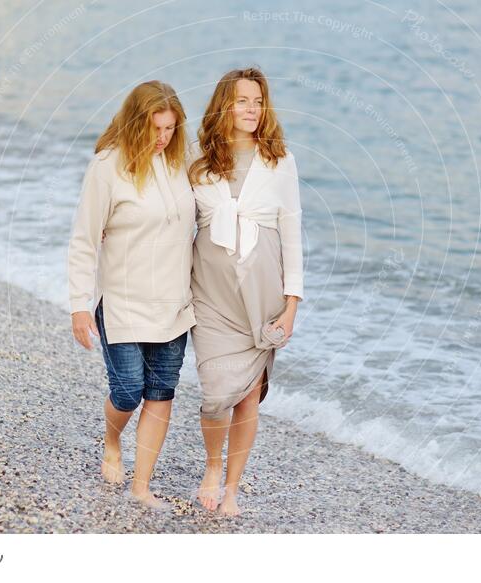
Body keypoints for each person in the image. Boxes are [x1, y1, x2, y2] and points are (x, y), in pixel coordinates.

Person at [67, 80, 196, 510]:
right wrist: (78, 306)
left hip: (174, 304)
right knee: (127, 392)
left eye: (170, 129)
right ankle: (111, 438)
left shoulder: (181, 160)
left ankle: (141, 486)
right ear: (136, 123)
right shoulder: (108, 167)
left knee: (161, 392)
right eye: (156, 129)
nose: (163, 138)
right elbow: (84, 239)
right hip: (121, 302)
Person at [187, 67, 304, 516]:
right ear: (224, 105)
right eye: (241, 101)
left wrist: (291, 307)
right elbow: (171, 212)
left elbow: (292, 234)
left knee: (248, 395)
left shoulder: (281, 161)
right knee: (216, 394)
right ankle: (212, 467)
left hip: (263, 296)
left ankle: (231, 485)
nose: (251, 109)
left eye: (257, 101)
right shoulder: (197, 159)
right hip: (211, 295)